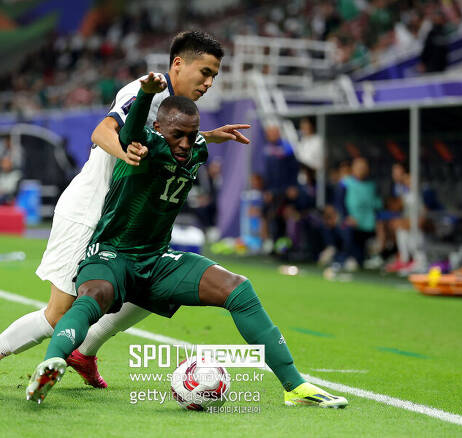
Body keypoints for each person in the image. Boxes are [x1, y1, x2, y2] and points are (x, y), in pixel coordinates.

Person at [25, 73, 348, 409]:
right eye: (176, 135)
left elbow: (195, 141)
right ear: (159, 130)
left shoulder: (197, 148)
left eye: (191, 135)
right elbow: (132, 129)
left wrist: (210, 136)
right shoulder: (141, 145)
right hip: (112, 255)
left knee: (238, 289)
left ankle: (295, 387)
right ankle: (52, 363)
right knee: (93, 297)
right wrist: (147, 96)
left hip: (155, 261)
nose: (184, 143)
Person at [0, 31, 251, 392]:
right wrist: (124, 153)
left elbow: (163, 141)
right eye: (205, 72)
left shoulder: (176, 108)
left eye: (214, 76)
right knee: (60, 314)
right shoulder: (146, 91)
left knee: (154, 288)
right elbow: (102, 131)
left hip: (124, 222)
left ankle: (85, 352)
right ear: (178, 64)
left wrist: (207, 136)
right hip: (88, 211)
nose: (209, 83)